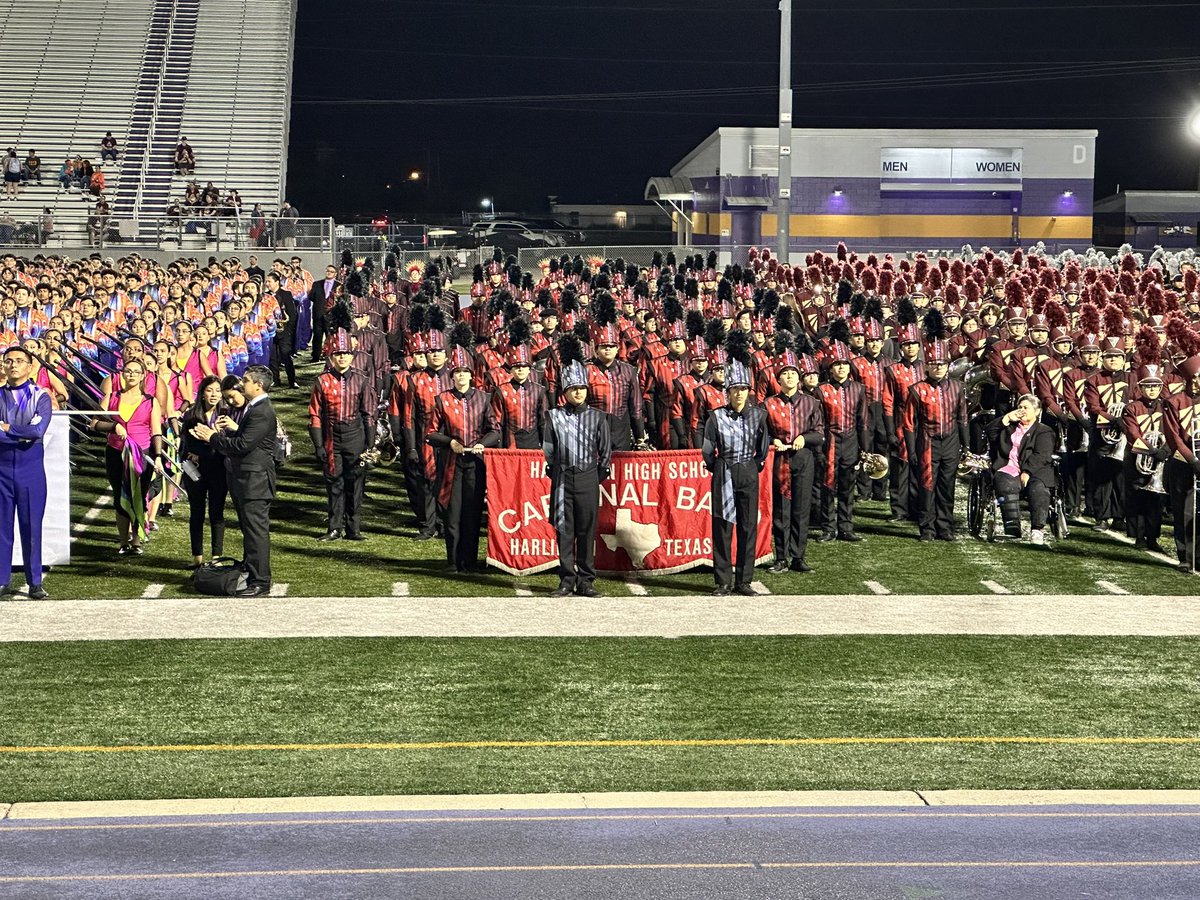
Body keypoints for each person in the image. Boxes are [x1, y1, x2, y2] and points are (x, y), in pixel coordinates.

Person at [189, 366, 277, 597]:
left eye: (246, 380)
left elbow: (242, 446)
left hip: (254, 482)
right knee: (250, 531)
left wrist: (212, 436)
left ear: (258, 385)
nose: (242, 383)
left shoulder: (261, 411)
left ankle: (260, 581)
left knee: (256, 533)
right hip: (245, 480)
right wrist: (227, 432)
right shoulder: (254, 408)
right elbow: (243, 440)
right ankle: (251, 573)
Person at [544, 335, 612, 597]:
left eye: (582, 388)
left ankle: (586, 580)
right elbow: (549, 450)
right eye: (573, 389)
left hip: (588, 478)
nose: (578, 392)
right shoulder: (554, 416)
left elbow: (605, 453)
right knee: (564, 530)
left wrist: (594, 476)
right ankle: (566, 579)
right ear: (565, 391)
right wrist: (558, 470)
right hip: (562, 479)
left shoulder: (598, 417)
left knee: (586, 531)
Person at [427, 336, 500, 573]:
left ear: (471, 375)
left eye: (465, 372)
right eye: (457, 372)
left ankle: (470, 561)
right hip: (452, 463)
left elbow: (495, 430)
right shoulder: (442, 399)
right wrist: (450, 442)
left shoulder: (483, 398)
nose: (461, 376)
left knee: (472, 513)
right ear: (452, 375)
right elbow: (430, 433)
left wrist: (482, 444)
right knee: (453, 514)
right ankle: (453, 561)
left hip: (476, 463)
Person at [702, 356, 769, 596]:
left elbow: (763, 448)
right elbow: (707, 449)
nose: (739, 393)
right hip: (724, 471)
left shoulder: (759, 415)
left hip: (748, 471)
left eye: (743, 389)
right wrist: (719, 467)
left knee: (748, 527)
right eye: (735, 389)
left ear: (749, 390)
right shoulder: (715, 416)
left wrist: (752, 466)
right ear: (728, 391)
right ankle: (723, 581)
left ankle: (744, 581)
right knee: (722, 527)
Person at [92, 357, 163, 557]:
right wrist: (113, 426)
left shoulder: (151, 401)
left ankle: (136, 539)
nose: (131, 375)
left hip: (142, 454)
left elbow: (156, 432)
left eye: (136, 372)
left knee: (139, 496)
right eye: (128, 371)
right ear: (122, 374)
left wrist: (158, 456)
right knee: (120, 496)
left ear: (143, 376)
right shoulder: (111, 397)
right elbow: (94, 423)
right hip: (116, 452)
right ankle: (123, 541)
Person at [764, 339, 824, 574]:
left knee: (801, 509)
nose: (789, 377)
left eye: (793, 373)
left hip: (803, 460)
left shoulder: (811, 403)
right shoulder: (768, 404)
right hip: (779, 461)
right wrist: (773, 441)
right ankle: (781, 557)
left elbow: (820, 433)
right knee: (781, 510)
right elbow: (761, 434)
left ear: (799, 378)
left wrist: (804, 438)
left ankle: (798, 556)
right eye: (785, 373)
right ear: (778, 379)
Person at [309, 329, 374, 542]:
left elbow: (368, 413)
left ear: (352, 356)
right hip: (331, 438)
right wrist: (319, 445)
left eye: (346, 353)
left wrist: (370, 444)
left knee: (355, 483)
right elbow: (315, 414)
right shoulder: (321, 381)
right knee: (334, 483)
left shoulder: (362, 380)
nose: (342, 357)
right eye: (338, 354)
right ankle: (334, 527)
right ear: (331, 357)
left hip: (355, 436)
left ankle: (353, 528)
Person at [0, 346, 53, 599]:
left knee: (31, 527)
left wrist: (7, 428)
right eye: (8, 361)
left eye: (19, 361)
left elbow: (38, 431)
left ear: (30, 366)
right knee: (2, 527)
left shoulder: (40, 396)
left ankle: (35, 582)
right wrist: (21, 434)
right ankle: (2, 580)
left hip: (30, 470)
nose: (13, 365)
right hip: (2, 470)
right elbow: (28, 432)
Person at [904, 337, 968, 542]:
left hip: (951, 442)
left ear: (948, 366)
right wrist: (911, 451)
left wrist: (966, 446)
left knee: (947, 486)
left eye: (942, 364)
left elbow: (962, 418)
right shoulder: (916, 389)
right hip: (927, 443)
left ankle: (945, 527)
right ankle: (927, 528)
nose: (938, 367)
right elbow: (909, 423)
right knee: (927, 487)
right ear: (927, 366)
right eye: (934, 364)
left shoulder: (957, 387)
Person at [986, 394, 1056, 545]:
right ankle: (1013, 529)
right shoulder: (1010, 428)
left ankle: (1037, 529)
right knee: (1006, 485)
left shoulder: (1044, 431)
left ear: (1037, 411)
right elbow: (990, 432)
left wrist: (1027, 471)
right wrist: (1006, 418)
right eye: (1020, 407)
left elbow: (1042, 455)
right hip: (1009, 466)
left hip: (1036, 471)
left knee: (1039, 489)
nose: (1022, 410)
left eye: (1026, 408)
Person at [179, 375, 228, 568]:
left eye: (217, 390)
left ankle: (217, 557)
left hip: (219, 470)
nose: (214, 394)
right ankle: (197, 557)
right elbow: (191, 446)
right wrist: (212, 442)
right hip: (196, 472)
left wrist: (209, 440)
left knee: (217, 513)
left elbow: (225, 446)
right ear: (202, 394)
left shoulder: (225, 415)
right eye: (209, 390)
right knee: (196, 512)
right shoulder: (191, 416)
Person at [265, 270, 297, 388]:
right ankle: (275, 380)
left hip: (284, 331)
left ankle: (292, 380)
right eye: (266, 281)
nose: (267, 284)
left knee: (286, 355)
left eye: (269, 281)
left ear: (277, 282)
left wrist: (289, 329)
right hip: (271, 331)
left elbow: (292, 313)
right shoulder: (265, 296)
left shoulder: (286, 294)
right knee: (272, 357)